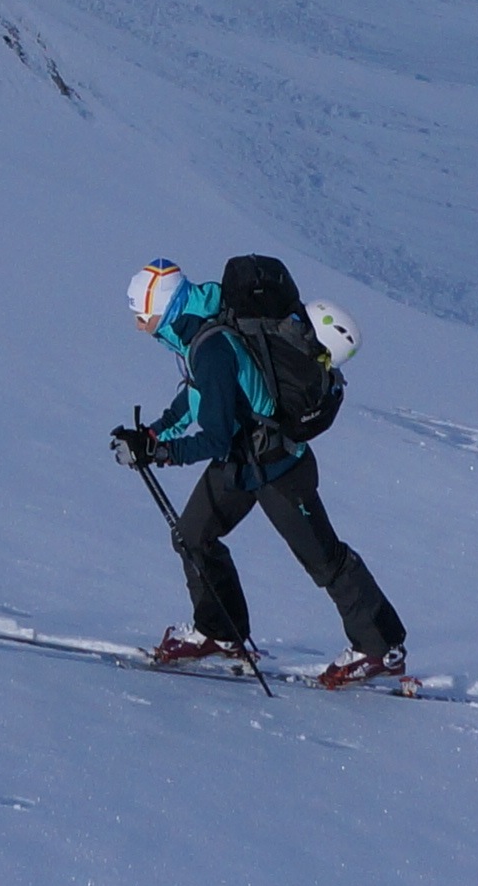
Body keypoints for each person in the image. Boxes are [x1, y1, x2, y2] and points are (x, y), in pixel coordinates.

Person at [111, 259, 408, 688]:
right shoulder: (200, 329)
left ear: (168, 309)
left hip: (278, 467)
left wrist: (160, 453)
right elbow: (198, 396)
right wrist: (154, 433)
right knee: (193, 536)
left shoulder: (210, 346)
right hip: (243, 460)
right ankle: (220, 631)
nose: (141, 327)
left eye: (145, 316)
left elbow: (215, 436)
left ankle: (382, 648)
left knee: (324, 559)